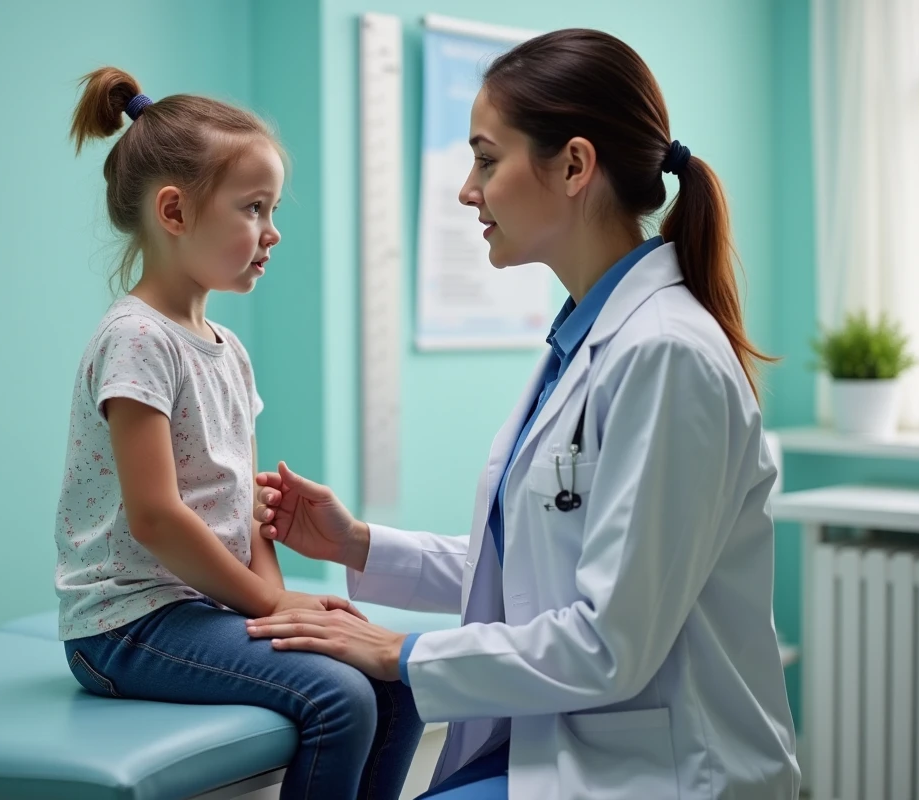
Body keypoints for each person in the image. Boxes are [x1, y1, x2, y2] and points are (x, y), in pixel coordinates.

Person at [247, 29, 800, 800]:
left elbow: (610, 643)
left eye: (485, 159)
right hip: (564, 746)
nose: (467, 191)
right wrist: (360, 544)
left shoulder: (666, 354)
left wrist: (395, 652)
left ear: (574, 166)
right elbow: (537, 570)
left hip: (659, 772)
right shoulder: (588, 340)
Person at [53, 67, 423, 800]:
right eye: (254, 208)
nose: (272, 231)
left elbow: (246, 510)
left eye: (273, 208)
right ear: (175, 212)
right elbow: (156, 517)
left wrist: (284, 609)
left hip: (201, 607)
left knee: (398, 679)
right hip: (124, 623)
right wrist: (270, 607)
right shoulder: (136, 339)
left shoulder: (228, 348)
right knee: (339, 697)